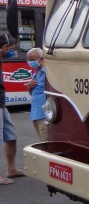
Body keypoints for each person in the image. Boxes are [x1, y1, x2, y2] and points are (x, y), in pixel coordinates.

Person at [0, 34, 21, 185]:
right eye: (11, 49)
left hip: (2, 104)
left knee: (11, 136)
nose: (13, 53)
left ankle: (11, 169)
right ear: (4, 47)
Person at [26, 47, 48, 141]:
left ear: (41, 58)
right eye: (29, 60)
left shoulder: (48, 72)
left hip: (44, 114)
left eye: (33, 59)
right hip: (35, 113)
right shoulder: (36, 73)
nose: (30, 62)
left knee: (47, 141)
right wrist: (28, 87)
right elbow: (33, 93)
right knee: (42, 141)